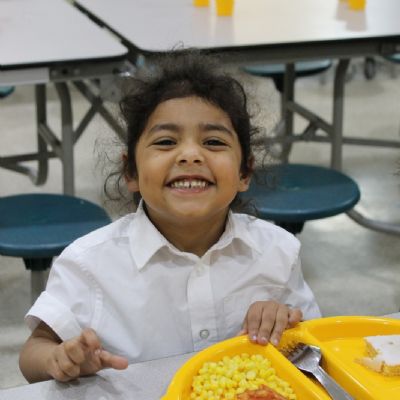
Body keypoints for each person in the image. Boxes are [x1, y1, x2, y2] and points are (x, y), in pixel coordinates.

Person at [19, 50, 321, 383]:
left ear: (244, 172)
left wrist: (284, 322)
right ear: (131, 172)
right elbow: (34, 351)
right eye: (165, 142)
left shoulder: (277, 250)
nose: (190, 155)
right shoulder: (89, 263)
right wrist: (60, 359)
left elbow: (312, 348)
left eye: (213, 142)